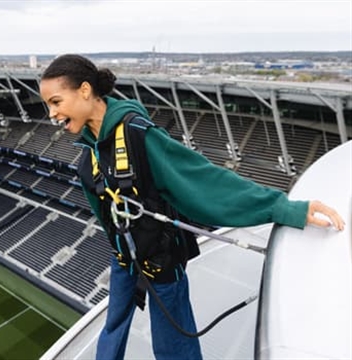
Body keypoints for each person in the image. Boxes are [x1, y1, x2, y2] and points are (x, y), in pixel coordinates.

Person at [39, 54, 345, 360]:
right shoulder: (87, 159)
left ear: (84, 90)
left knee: (172, 347)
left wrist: (287, 209)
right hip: (126, 259)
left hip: (160, 260)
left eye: (56, 101)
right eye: (48, 105)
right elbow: (106, 219)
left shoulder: (138, 136)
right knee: (112, 332)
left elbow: (204, 181)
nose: (51, 113)